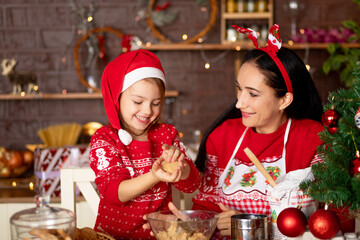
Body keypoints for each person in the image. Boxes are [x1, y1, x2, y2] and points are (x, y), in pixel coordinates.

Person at [192, 24, 324, 239]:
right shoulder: (223, 136)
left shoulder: (313, 138)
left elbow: (334, 215)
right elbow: (205, 205)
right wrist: (214, 222)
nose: (239, 103)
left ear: (284, 100)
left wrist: (247, 225)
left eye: (253, 94)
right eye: (239, 89)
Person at [89, 49, 201, 239]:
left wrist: (180, 168)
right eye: (138, 101)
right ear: (117, 98)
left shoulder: (167, 134)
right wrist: (154, 176)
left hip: (160, 235)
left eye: (156, 103)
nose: (147, 110)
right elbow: (113, 193)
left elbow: (192, 185)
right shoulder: (105, 139)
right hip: (113, 236)